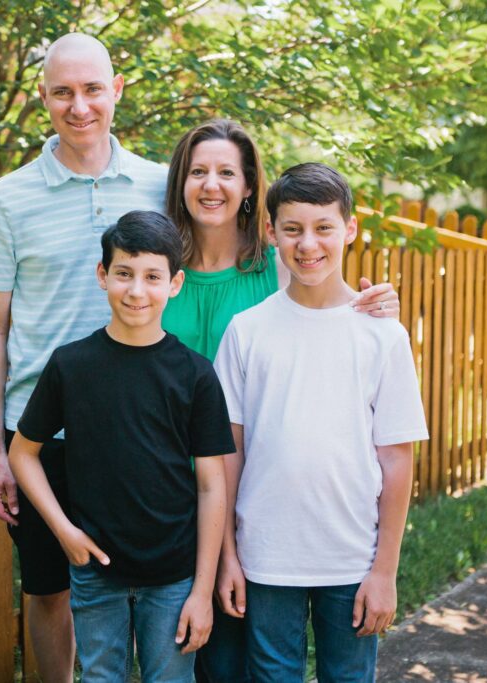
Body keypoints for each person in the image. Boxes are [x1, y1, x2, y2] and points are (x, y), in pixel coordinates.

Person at [161, 119, 401, 682]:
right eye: (198, 171)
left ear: (249, 188)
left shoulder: (276, 265)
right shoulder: (156, 271)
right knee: (218, 659)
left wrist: (381, 306)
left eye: (227, 172)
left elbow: (325, 300)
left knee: (268, 653)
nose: (212, 184)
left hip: (266, 504)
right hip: (176, 485)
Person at [0, 33, 168, 682]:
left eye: (91, 90)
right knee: (49, 590)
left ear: (117, 91)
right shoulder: (7, 198)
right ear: (42, 99)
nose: (78, 106)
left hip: (143, 428)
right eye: (62, 92)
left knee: (148, 587)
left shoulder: (161, 184)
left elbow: (226, 267)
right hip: (40, 433)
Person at [212, 163, 429, 682]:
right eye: (292, 229)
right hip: (265, 557)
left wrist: (385, 571)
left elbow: (397, 458)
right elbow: (227, 456)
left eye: (324, 227)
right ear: (271, 233)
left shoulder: (382, 335)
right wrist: (228, 557)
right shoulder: (247, 332)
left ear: (349, 229)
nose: (308, 244)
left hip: (352, 559)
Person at [8, 211, 232, 682]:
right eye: (124, 274)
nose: (136, 291)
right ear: (102, 275)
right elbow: (22, 454)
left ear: (175, 283)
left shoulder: (194, 374)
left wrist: (201, 589)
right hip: (95, 571)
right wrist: (64, 530)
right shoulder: (72, 366)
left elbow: (213, 485)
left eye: (152, 277)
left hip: (173, 577)